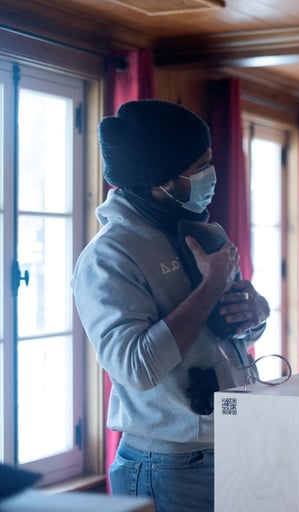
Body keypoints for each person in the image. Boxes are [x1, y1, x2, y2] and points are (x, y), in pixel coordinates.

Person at [72, 99, 270, 512]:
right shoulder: (107, 257)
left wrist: (255, 316)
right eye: (198, 167)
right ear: (158, 179)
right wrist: (212, 285)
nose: (211, 176)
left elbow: (227, 330)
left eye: (209, 162)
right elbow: (136, 368)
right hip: (166, 463)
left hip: (231, 442)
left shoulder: (204, 230)